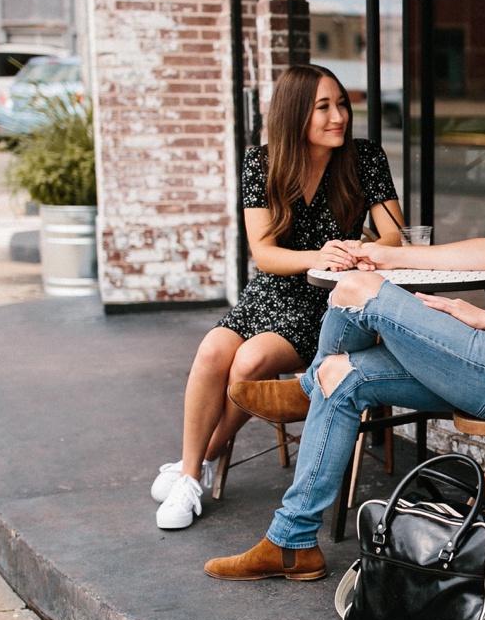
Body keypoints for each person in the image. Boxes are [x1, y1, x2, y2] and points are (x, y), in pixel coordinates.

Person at [203, 65, 485, 580]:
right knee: (344, 376)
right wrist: (385, 256)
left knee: (356, 291)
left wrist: (484, 316)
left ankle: (306, 387)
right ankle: (292, 541)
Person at [151, 65, 404, 531]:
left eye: (342, 104)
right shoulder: (262, 163)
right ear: (294, 115)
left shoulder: (365, 158)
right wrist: (319, 254)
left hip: (328, 299)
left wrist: (355, 251)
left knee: (248, 362)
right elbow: (264, 254)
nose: (339, 117)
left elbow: (394, 236)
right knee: (212, 351)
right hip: (272, 290)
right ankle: (191, 474)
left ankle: (196, 464)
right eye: (323, 107)